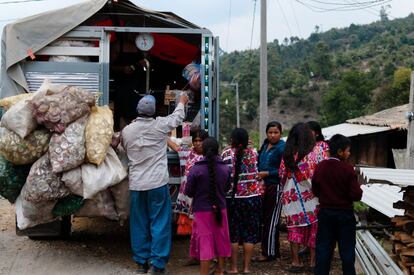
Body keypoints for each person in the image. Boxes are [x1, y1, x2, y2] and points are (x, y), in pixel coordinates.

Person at [122, 93, 189, 274]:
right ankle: (157, 264)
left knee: (139, 223)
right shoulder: (159, 125)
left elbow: (122, 148)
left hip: (137, 185)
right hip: (157, 184)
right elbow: (178, 117)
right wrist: (182, 101)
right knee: (159, 222)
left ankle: (141, 263)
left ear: (137, 110)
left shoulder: (127, 131)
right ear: (154, 112)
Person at [312, 134, 363, 275]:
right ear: (340, 152)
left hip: (325, 213)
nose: (349, 153)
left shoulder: (320, 167)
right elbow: (356, 195)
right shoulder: (347, 169)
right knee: (346, 250)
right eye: (348, 150)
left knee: (323, 248)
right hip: (344, 215)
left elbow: (315, 190)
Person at [185, 137, 232, 275]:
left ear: (203, 151)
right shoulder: (225, 168)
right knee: (221, 239)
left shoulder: (196, 169)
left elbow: (189, 191)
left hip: (201, 211)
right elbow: (227, 188)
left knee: (205, 242)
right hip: (221, 209)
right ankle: (219, 271)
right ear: (217, 150)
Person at [279, 123, 319, 273]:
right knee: (314, 229)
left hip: (291, 197)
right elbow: (317, 176)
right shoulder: (312, 154)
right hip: (311, 198)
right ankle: (313, 262)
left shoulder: (287, 155)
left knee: (293, 229)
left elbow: (281, 175)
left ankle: (296, 262)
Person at [221, 128, 262, 274]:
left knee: (233, 234)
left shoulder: (226, 154)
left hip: (233, 199)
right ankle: (246, 268)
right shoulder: (254, 153)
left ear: (232, 139)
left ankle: (233, 268)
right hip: (252, 199)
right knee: (249, 234)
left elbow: (223, 174)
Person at [168, 129, 209, 235]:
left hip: (202, 198)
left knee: (202, 230)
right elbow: (176, 147)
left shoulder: (210, 156)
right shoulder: (187, 153)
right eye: (195, 140)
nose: (198, 143)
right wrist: (163, 136)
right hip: (187, 197)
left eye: (201, 140)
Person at [256, 121, 286, 262]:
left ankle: (269, 252)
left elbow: (283, 170)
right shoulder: (264, 145)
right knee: (265, 218)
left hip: (275, 187)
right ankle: (271, 250)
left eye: (276, 132)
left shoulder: (283, 148)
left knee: (272, 220)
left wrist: (267, 173)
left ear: (281, 133)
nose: (273, 135)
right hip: (263, 187)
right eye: (270, 132)